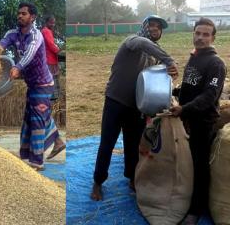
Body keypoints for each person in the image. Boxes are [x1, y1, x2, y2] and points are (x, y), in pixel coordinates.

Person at [91, 15, 179, 201]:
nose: (155, 29)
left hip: (136, 106)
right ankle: (98, 183)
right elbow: (144, 44)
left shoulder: (154, 58)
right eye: (152, 25)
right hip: (115, 101)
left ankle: (132, 179)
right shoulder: (133, 41)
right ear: (144, 27)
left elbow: (156, 82)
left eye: (159, 27)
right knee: (107, 143)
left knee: (132, 145)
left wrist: (169, 76)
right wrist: (169, 60)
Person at [170, 18, 226, 225]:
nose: (200, 37)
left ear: (212, 38)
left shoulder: (216, 64)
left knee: (199, 166)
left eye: (205, 34)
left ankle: (195, 210)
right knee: (187, 162)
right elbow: (190, 87)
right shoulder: (194, 58)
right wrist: (173, 92)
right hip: (187, 118)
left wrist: (184, 108)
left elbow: (209, 95)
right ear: (193, 33)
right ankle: (185, 198)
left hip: (203, 122)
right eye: (198, 33)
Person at [0, 2, 66, 171]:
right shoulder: (13, 34)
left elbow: (29, 54)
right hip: (32, 85)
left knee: (37, 120)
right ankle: (57, 142)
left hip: (43, 84)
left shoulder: (37, 36)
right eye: (19, 13)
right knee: (34, 115)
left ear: (32, 17)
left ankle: (37, 162)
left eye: (24, 13)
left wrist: (17, 67)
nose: (20, 16)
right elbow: (2, 44)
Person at [41, 15, 60, 100]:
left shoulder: (46, 31)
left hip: (50, 60)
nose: (53, 24)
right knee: (52, 81)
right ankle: (52, 99)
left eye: (54, 23)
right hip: (49, 60)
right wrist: (59, 51)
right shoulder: (46, 31)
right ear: (46, 23)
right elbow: (51, 45)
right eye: (51, 22)